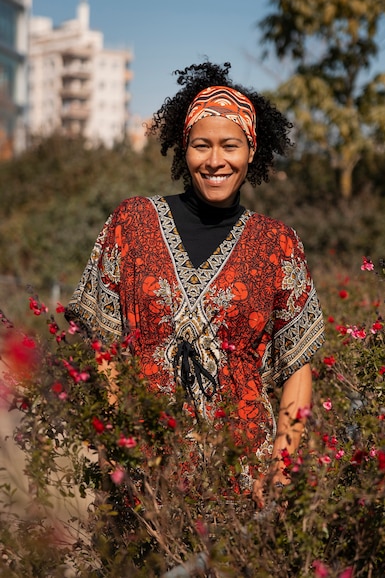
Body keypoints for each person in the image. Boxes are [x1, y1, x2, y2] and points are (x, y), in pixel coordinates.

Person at [65, 61, 325, 507]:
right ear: (185, 151)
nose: (215, 160)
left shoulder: (277, 243)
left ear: (251, 150)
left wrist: (282, 466)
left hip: (244, 482)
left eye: (230, 145)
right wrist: (122, 439)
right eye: (201, 145)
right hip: (144, 478)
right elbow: (98, 342)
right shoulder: (132, 222)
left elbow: (297, 361)